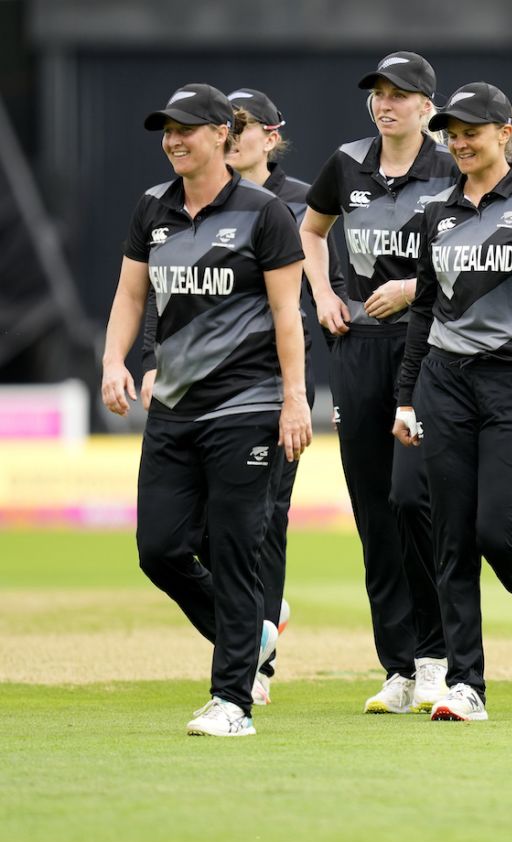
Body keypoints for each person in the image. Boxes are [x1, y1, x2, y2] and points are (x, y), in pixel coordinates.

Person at [100, 83, 311, 735]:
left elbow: (286, 314)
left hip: (247, 405)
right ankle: (249, 635)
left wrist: (294, 398)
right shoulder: (152, 209)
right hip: (174, 407)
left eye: (185, 128)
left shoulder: (263, 212)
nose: (172, 139)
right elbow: (133, 295)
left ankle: (233, 701)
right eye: (166, 130)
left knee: (238, 546)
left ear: (222, 133)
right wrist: (115, 360)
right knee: (159, 548)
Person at [137, 87, 347, 705]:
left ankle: (251, 670)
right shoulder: (172, 205)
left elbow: (298, 306)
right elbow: (160, 291)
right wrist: (149, 360)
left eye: (249, 124)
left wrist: (297, 391)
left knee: (258, 525)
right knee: (189, 536)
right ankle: (250, 631)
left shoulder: (297, 205)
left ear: (263, 136)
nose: (241, 133)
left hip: (268, 384)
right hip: (190, 388)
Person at [394, 81, 512, 722]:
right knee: (450, 537)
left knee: (498, 530)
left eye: (472, 130)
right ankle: (466, 684)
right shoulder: (437, 211)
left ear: (506, 132)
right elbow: (425, 307)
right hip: (445, 383)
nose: (459, 141)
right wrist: (405, 396)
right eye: (452, 131)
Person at [301, 52, 457, 714]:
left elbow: (472, 260)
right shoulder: (346, 165)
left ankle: (435, 657)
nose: (384, 104)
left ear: (427, 106)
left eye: (400, 94)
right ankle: (397, 667)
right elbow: (310, 232)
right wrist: (324, 294)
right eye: (378, 93)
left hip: (422, 349)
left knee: (411, 500)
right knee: (371, 511)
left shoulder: (450, 170)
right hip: (357, 349)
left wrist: (413, 286)